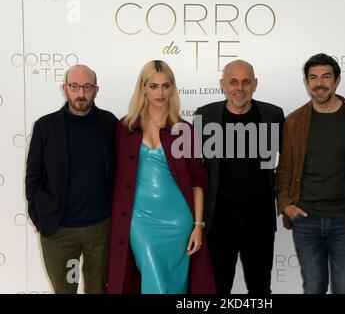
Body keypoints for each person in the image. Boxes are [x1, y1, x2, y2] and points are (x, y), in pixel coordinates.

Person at [107, 60, 215, 294]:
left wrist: (197, 225)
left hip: (179, 221)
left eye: (166, 86)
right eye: (153, 86)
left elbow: (198, 180)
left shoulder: (184, 130)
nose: (160, 92)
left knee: (175, 286)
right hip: (139, 219)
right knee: (152, 278)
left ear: (173, 89)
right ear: (143, 88)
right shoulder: (126, 128)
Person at [276, 53, 345, 294]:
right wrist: (286, 204)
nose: (319, 83)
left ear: (337, 81)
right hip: (307, 219)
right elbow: (284, 167)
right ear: (306, 82)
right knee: (314, 287)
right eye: (313, 77)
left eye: (326, 77)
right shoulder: (294, 121)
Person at [25, 64, 118, 293]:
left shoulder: (110, 124)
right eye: (74, 86)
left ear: (96, 90)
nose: (80, 94)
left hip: (101, 230)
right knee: (65, 290)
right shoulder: (45, 127)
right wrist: (40, 219)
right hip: (60, 233)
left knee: (98, 290)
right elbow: (33, 178)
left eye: (87, 87)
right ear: (64, 88)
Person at [194, 59, 285, 294]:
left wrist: (287, 201)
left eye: (246, 81)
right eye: (233, 82)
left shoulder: (273, 115)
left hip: (260, 221)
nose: (239, 88)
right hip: (219, 223)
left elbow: (288, 163)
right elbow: (196, 172)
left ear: (255, 84)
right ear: (222, 84)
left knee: (260, 288)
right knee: (217, 288)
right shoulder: (205, 116)